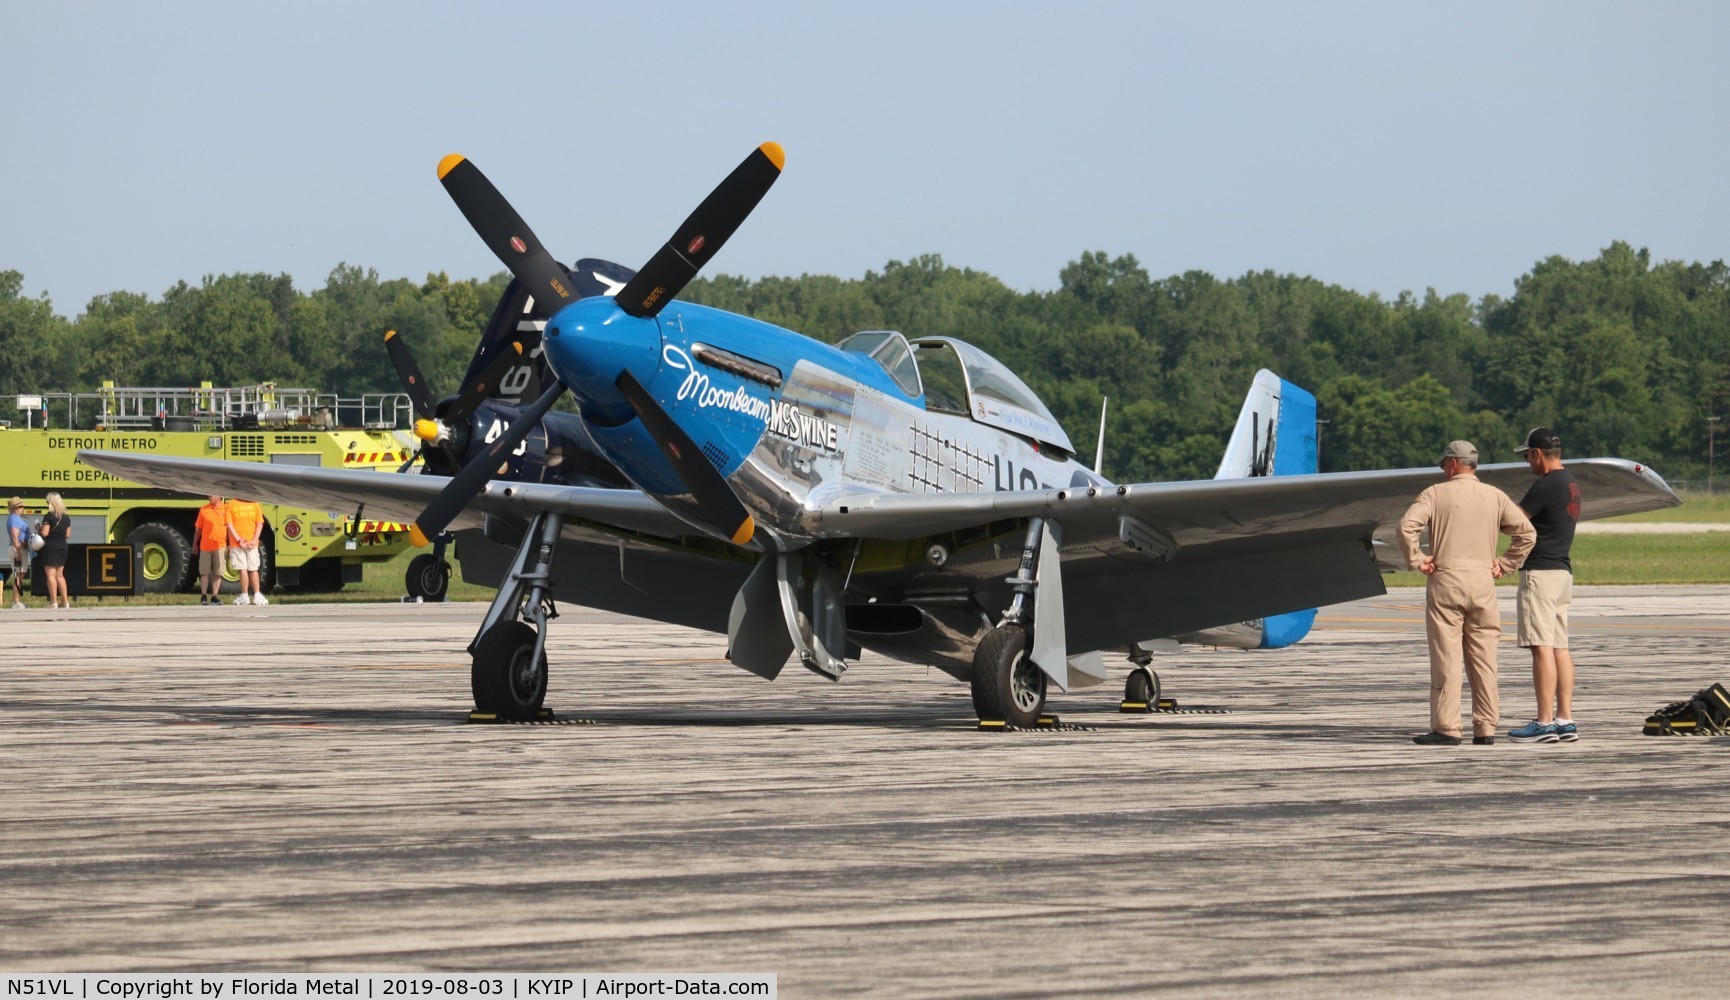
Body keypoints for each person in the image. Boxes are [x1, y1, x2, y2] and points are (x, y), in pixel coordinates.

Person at [1399, 441, 1536, 746]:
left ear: (1452, 463)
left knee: (1447, 655)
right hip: (1483, 581)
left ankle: (1447, 727)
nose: (1443, 470)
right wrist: (1506, 563)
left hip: (1446, 578)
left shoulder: (1435, 493)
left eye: (1444, 465)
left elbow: (1407, 527)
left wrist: (1417, 559)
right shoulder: (1495, 496)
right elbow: (1526, 533)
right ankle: (1486, 725)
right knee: (1485, 658)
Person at [1508, 427, 1582, 744]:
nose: (1528, 462)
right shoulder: (1571, 484)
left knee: (1540, 648)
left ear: (1538, 453)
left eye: (1527, 456)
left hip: (1539, 572)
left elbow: (1514, 523)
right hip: (1562, 572)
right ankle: (1565, 719)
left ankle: (1543, 722)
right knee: (1559, 647)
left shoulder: (1546, 485)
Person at [225, 495, 268, 606]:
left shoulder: (231, 504)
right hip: (252, 543)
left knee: (242, 569)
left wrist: (239, 540)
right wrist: (254, 540)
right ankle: (257, 595)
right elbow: (259, 524)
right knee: (253, 569)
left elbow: (229, 525)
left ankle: (245, 596)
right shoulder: (255, 503)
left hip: (237, 543)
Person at [38, 492, 73, 610]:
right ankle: (65, 601)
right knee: (60, 575)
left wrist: (39, 529)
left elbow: (45, 533)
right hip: (62, 546)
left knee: (50, 575)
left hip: (51, 546)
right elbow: (68, 535)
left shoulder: (49, 516)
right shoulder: (66, 517)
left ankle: (53, 602)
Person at [192, 494, 228, 606]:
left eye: (212, 495)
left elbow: (230, 527)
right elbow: (199, 529)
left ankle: (214, 596)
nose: (209, 497)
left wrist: (231, 544)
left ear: (219, 496)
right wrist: (194, 544)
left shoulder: (226, 509)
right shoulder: (204, 509)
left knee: (218, 572)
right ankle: (203, 596)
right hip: (205, 546)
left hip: (220, 546)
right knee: (204, 572)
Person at [7, 497, 30, 609]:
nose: (23, 508)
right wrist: (19, 552)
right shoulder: (15, 519)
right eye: (21, 506)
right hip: (18, 549)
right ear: (15, 508)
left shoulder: (15, 518)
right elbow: (15, 536)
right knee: (18, 575)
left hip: (20, 548)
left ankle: (17, 601)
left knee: (20, 575)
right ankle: (16, 602)